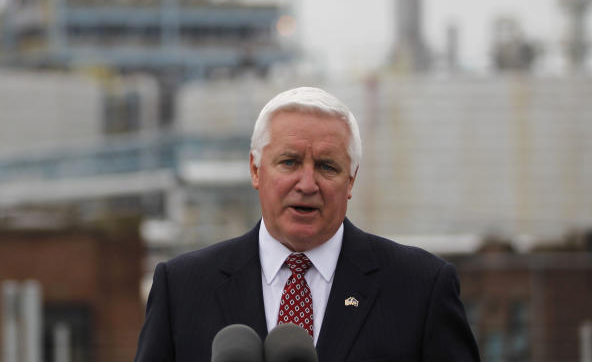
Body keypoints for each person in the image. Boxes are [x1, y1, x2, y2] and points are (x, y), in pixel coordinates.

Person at [134, 86, 479, 362]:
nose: (307, 183)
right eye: (289, 162)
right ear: (255, 169)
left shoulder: (420, 288)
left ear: (352, 180)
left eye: (327, 167)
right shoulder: (182, 289)